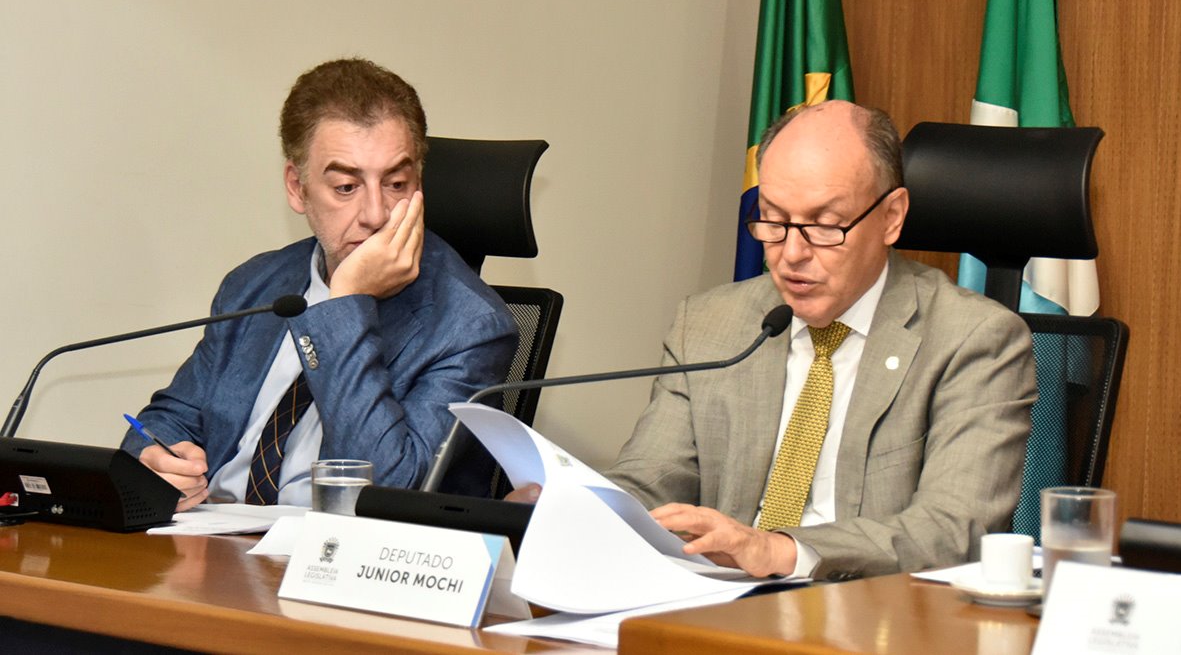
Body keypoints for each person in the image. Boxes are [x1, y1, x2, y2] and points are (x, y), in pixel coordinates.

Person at [603, 100, 1037, 580]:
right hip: (716, 600)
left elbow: (951, 530)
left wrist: (781, 551)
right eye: (773, 220)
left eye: (825, 225)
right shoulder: (708, 325)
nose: (791, 253)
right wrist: (575, 506)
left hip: (870, 608)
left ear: (892, 216)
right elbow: (650, 482)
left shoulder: (972, 340)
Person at [121, 58, 518, 511]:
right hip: (217, 536)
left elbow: (386, 492)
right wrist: (157, 461)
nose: (376, 214)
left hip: (339, 549)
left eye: (396, 183)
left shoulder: (470, 327)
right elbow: (168, 420)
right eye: (346, 187)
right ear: (297, 187)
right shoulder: (256, 285)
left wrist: (345, 304)